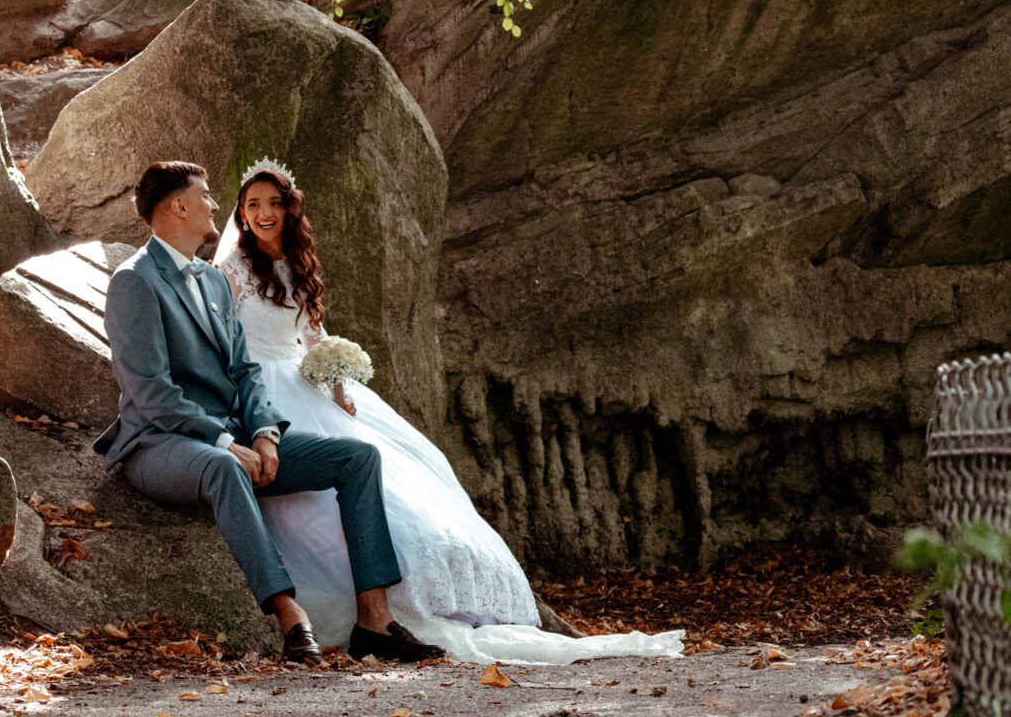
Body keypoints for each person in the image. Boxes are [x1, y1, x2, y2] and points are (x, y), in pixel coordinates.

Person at [215, 158, 687, 668]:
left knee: (408, 474)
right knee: (322, 501)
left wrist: (336, 379)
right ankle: (348, 608)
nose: (264, 212)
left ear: (290, 209)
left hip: (307, 382)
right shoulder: (233, 269)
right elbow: (223, 343)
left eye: (274, 203)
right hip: (262, 391)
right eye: (253, 205)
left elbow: (312, 337)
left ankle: (398, 606)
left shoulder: (299, 265)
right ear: (241, 213)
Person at [96, 159, 447, 666]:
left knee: (358, 457)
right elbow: (151, 392)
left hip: (233, 436)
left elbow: (246, 372)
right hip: (158, 444)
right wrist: (225, 443)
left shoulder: (215, 282)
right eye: (206, 194)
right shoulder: (133, 281)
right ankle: (289, 613)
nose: (217, 205)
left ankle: (374, 619)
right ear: (178, 205)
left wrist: (263, 434)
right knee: (222, 466)